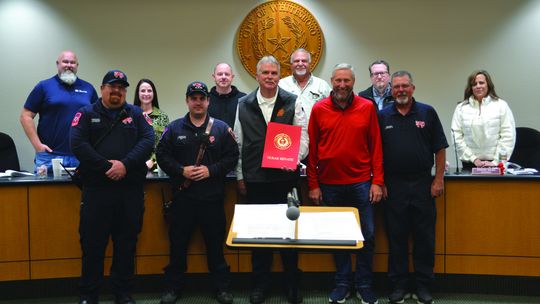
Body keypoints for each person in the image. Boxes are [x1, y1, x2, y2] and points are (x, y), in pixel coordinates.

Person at [70, 70, 154, 304]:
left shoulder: (136, 114)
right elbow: (77, 143)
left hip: (129, 192)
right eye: (112, 87)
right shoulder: (86, 113)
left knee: (126, 246)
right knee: (92, 245)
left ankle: (123, 293)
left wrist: (125, 165)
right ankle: (89, 294)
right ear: (102, 88)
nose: (117, 91)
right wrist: (107, 166)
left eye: (121, 88)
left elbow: (148, 141)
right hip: (97, 191)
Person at [156, 81, 239, 304]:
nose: (198, 102)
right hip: (183, 199)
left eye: (202, 98)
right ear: (187, 101)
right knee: (177, 247)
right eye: (194, 98)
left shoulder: (221, 128)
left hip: (212, 199)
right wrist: (181, 170)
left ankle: (222, 289)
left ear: (208, 101)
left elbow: (232, 156)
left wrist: (210, 170)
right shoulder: (173, 129)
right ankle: (173, 289)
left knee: (215, 247)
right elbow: (162, 156)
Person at [234, 55, 308, 304]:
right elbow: (239, 142)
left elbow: (304, 136)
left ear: (280, 75)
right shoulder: (243, 103)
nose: (269, 77)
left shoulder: (292, 101)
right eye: (265, 73)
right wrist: (241, 176)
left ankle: (292, 287)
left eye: (274, 73)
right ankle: (259, 286)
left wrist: (293, 159)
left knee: (290, 234)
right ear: (257, 76)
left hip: (284, 180)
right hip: (256, 180)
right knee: (260, 236)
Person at [307, 63, 383, 304]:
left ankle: (364, 285)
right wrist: (313, 185)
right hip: (329, 184)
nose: (342, 85)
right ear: (331, 81)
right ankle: (342, 283)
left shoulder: (367, 107)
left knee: (367, 236)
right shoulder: (319, 109)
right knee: (337, 236)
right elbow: (312, 152)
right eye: (338, 80)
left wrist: (377, 182)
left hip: (361, 183)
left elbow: (376, 146)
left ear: (354, 82)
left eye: (347, 81)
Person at [378, 71, 448, 304]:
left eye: (405, 86)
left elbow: (440, 148)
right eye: (396, 87)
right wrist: (380, 182)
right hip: (393, 186)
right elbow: (375, 152)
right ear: (391, 90)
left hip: (422, 185)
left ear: (413, 88)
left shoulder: (427, 112)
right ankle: (398, 285)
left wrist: (438, 180)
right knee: (396, 238)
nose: (400, 90)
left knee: (424, 238)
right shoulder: (383, 115)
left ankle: (423, 285)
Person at [20, 50, 98, 172]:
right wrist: (37, 145)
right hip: (49, 157)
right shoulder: (44, 86)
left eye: (73, 62)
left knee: (80, 191)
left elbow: (97, 118)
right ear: (57, 64)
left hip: (81, 156)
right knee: (44, 191)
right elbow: (26, 116)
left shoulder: (88, 88)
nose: (69, 65)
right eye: (65, 61)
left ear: (77, 66)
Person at [450, 70, 515, 170]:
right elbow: (456, 137)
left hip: (495, 165)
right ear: (470, 87)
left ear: (488, 84)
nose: (478, 86)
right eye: (474, 84)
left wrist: (497, 162)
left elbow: (508, 137)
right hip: (470, 163)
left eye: (481, 83)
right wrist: (473, 159)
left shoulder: (501, 105)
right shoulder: (461, 108)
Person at [279, 48, 332, 119]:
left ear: (310, 64)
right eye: (296, 61)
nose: (300, 64)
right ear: (291, 65)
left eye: (304, 61)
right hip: (288, 129)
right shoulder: (281, 85)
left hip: (316, 129)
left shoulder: (322, 85)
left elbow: (332, 109)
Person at [133, 78, 170, 170]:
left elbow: (164, 144)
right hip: (133, 164)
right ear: (138, 93)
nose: (146, 94)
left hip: (156, 167)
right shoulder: (130, 115)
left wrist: (152, 160)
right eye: (143, 91)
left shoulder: (162, 117)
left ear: (154, 94)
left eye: (149, 91)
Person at [209, 63, 246, 128]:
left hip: (237, 138)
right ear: (214, 77)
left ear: (232, 77)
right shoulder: (205, 99)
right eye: (220, 74)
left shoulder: (244, 99)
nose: (223, 77)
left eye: (227, 74)